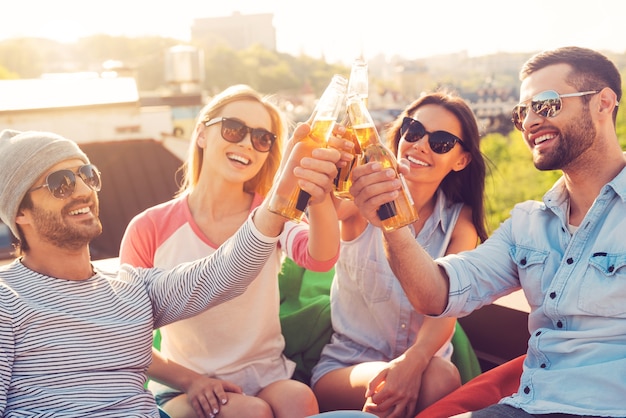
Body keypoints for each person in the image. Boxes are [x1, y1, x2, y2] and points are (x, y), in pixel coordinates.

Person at [349, 46, 625, 417]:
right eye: (522, 112)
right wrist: (392, 223)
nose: (529, 122)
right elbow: (436, 294)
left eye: (545, 105)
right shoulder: (528, 225)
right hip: (524, 407)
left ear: (603, 103)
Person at [0, 127, 341, 417]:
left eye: (87, 175)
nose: (82, 190)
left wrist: (281, 193)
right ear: (20, 213)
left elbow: (225, 272)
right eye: (60, 183)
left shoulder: (132, 289)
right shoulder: (7, 299)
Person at [119, 85, 345, 418]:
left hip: (267, 375)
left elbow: (321, 258)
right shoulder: (149, 226)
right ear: (201, 134)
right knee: (250, 413)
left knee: (300, 401)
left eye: (262, 138)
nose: (245, 144)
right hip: (184, 385)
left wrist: (320, 196)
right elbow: (124, 333)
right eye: (234, 129)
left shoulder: (274, 214)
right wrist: (192, 380)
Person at [311, 91, 489, 417]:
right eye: (414, 130)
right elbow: (327, 209)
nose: (420, 145)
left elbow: (446, 309)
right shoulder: (359, 194)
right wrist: (326, 167)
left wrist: (412, 362)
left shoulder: (460, 221)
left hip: (424, 364)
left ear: (461, 160)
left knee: (441, 376)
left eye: (442, 142)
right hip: (349, 366)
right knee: (385, 387)